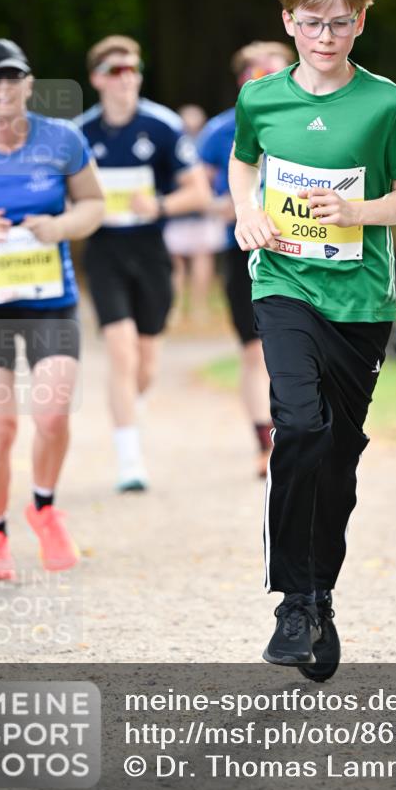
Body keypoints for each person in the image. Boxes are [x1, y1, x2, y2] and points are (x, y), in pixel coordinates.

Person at [229, 0, 396, 677]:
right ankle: (291, 601)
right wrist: (246, 211)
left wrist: (357, 211)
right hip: (283, 284)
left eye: (340, 23)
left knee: (337, 457)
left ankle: (319, 596)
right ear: (288, 21)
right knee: (299, 425)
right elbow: (243, 161)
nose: (325, 37)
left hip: (360, 301)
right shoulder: (260, 97)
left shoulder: (386, 102)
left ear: (360, 22)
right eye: (312, 23)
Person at [0, 38, 104, 580]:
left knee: (51, 416)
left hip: (51, 300)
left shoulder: (63, 138)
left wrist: (59, 226)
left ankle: (45, 508)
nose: (3, 88)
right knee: (1, 427)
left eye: (13, 78)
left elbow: (93, 205)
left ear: (29, 86)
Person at [74, 36, 211, 492]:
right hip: (105, 251)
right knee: (121, 350)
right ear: (96, 79)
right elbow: (63, 195)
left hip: (151, 251)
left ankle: (133, 408)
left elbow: (198, 191)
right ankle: (129, 460)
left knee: (146, 361)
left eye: (132, 69)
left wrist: (159, 205)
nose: (126, 78)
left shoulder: (162, 125)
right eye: (115, 70)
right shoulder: (80, 133)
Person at [199, 41, 295, 478]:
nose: (267, 79)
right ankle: (266, 444)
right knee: (255, 352)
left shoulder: (313, 121)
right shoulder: (221, 130)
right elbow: (200, 191)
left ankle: (302, 434)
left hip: (306, 250)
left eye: (276, 71)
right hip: (245, 252)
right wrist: (228, 206)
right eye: (257, 72)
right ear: (242, 81)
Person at [163, 102, 224, 327]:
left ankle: (186, 307)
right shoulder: (201, 143)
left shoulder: (184, 144)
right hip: (184, 209)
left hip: (194, 209)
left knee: (194, 258)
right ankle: (189, 307)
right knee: (184, 260)